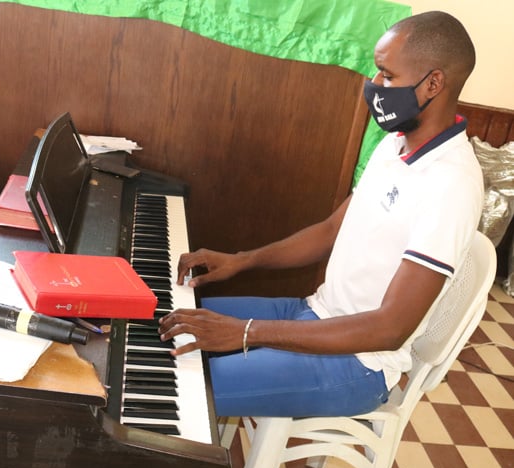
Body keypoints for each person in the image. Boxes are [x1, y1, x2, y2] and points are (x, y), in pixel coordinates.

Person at [158, 10, 483, 417]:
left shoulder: (452, 185)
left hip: (359, 364)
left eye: (387, 75)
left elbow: (390, 327)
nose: (374, 85)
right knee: (166, 319)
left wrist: (246, 332)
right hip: (313, 314)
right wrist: (242, 261)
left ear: (433, 83)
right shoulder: (394, 146)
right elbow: (331, 230)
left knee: (176, 387)